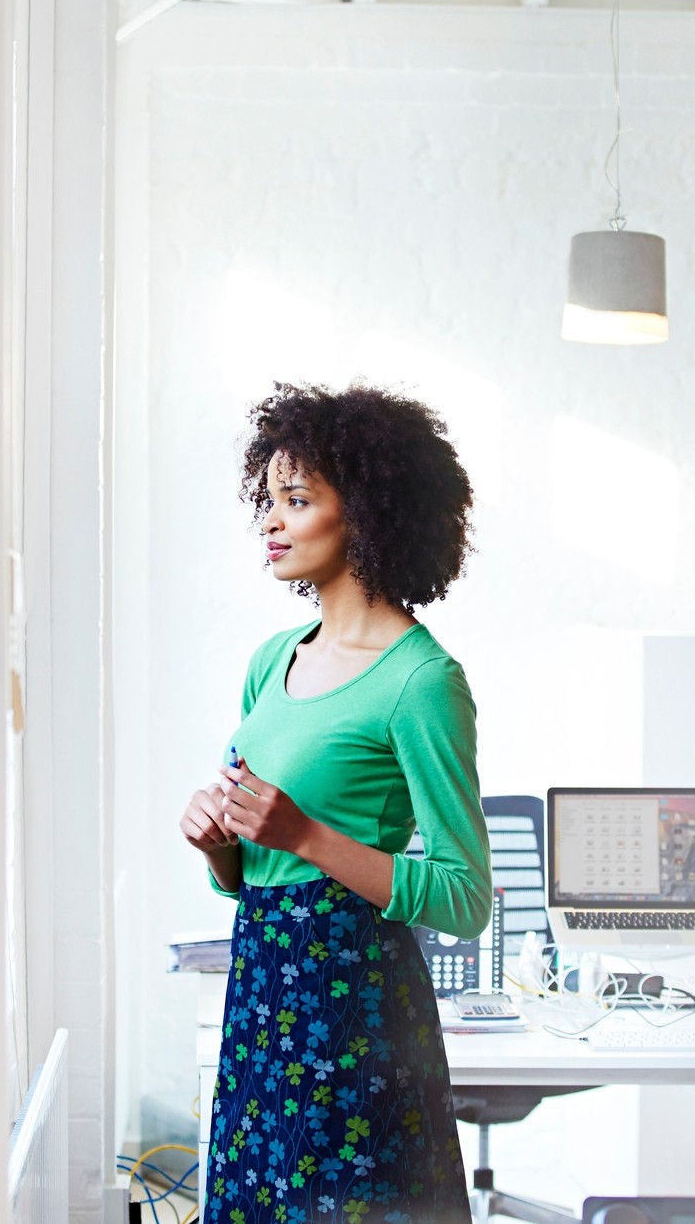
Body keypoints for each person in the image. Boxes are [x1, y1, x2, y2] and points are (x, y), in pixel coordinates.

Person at [180, 380, 491, 1224]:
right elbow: (250, 872)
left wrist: (306, 834)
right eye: (269, 500)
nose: (271, 522)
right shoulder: (271, 659)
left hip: (356, 1004)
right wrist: (218, 842)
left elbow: (465, 897)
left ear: (367, 511)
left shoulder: (423, 681)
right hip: (262, 991)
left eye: (298, 499)